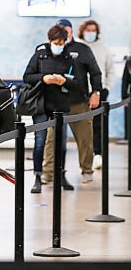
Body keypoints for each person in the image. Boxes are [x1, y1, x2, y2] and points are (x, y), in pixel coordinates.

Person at [42, 19, 103, 187]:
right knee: (51, 140)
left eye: (66, 31)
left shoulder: (83, 50)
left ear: (71, 31)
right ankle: (48, 173)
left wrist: (96, 92)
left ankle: (86, 170)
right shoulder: (49, 50)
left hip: (78, 102)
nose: (63, 34)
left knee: (85, 139)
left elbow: (95, 73)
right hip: (56, 105)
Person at [23, 25, 80, 193]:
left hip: (61, 105)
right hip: (41, 105)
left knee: (61, 144)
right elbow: (27, 76)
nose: (59, 45)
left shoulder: (69, 58)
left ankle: (61, 174)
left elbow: (78, 84)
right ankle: (38, 176)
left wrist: (65, 81)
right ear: (50, 41)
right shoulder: (39, 55)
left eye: (62, 42)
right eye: (56, 42)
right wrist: (44, 78)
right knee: (40, 142)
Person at [78, 20, 115, 169]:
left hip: (99, 92)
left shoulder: (104, 48)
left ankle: (98, 154)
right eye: (88, 30)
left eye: (93, 30)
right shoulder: (77, 47)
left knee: (98, 125)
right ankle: (85, 158)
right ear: (83, 31)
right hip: (81, 93)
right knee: (84, 127)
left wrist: (105, 89)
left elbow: (110, 70)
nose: (91, 33)